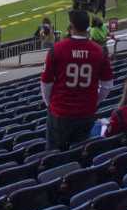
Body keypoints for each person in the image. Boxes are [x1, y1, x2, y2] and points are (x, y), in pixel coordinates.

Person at [41, 9, 112, 151]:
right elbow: (107, 86)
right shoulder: (99, 51)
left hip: (60, 113)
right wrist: (94, 101)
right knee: (80, 151)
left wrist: (50, 103)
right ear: (87, 27)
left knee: (55, 155)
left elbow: (46, 82)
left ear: (71, 26)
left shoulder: (57, 49)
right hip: (86, 113)